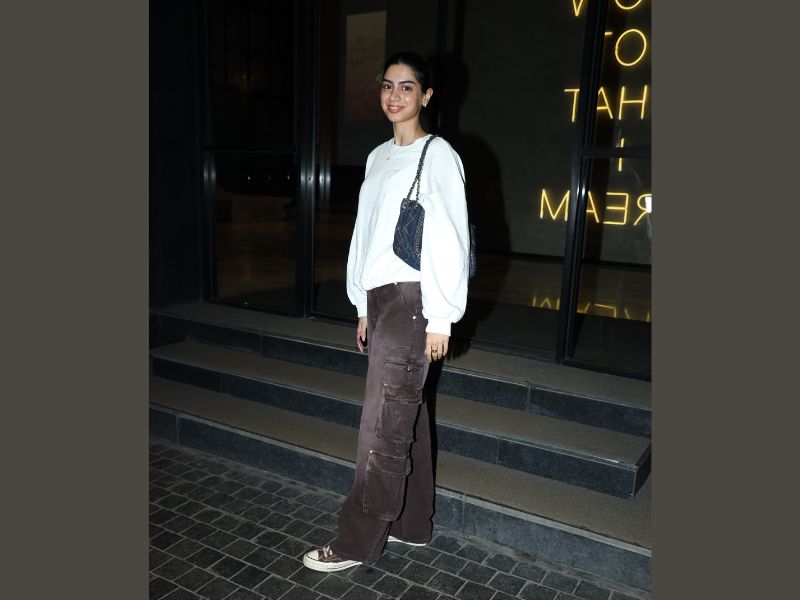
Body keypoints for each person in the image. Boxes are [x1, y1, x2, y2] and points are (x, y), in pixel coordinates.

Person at [303, 51, 470, 572]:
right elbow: (365, 234)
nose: (394, 96)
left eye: (406, 87)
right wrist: (361, 303)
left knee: (381, 426)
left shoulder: (438, 155)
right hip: (379, 301)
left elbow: (451, 239)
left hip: (413, 302)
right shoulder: (377, 157)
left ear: (426, 96)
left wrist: (442, 317)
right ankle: (413, 524)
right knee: (405, 414)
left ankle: (356, 542)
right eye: (387, 86)